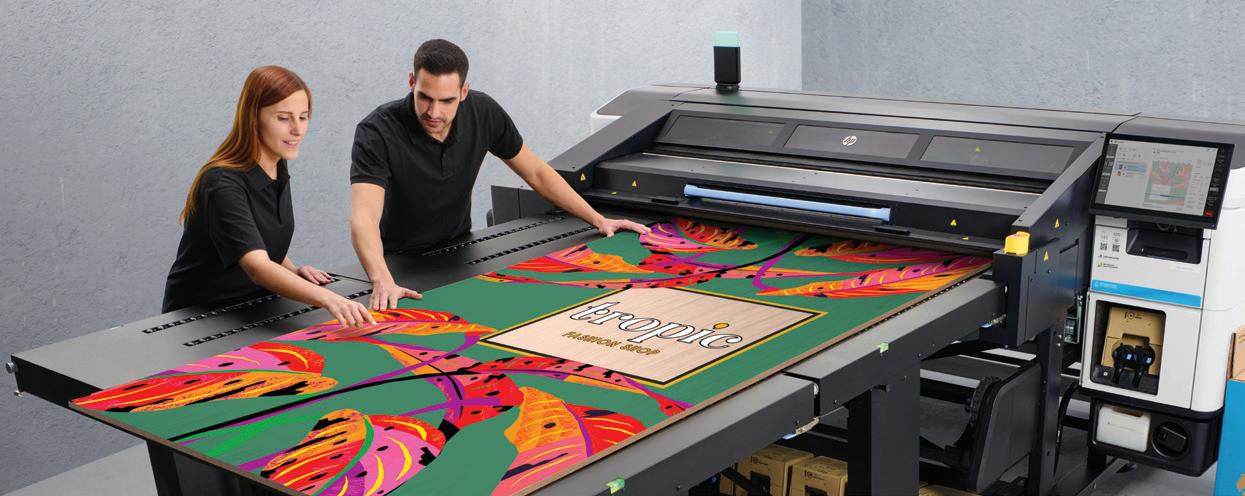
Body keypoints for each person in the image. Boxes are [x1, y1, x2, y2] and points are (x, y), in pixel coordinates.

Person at [350, 39, 650, 310]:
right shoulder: (377, 131)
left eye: (447, 101)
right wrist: (381, 280)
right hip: (399, 262)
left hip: (460, 251)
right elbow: (364, 217)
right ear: (411, 82)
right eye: (425, 97)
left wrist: (598, 219)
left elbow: (536, 172)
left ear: (464, 92)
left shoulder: (483, 112)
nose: (434, 112)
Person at [163, 65, 375, 327]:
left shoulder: (277, 164)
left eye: (303, 117)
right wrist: (330, 299)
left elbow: (257, 237)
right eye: (284, 118)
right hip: (197, 320)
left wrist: (292, 271)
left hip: (251, 307)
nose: (298, 129)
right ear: (253, 118)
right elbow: (257, 267)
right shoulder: (221, 184)